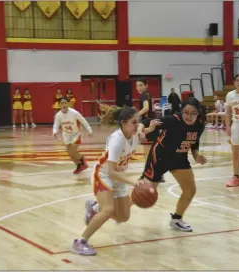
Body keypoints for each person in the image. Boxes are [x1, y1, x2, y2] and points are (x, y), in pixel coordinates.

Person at [71, 107, 159, 256]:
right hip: (104, 175)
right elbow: (111, 171)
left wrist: (149, 129)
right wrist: (134, 182)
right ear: (123, 123)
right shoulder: (116, 140)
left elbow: (141, 135)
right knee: (109, 210)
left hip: (119, 177)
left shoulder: (133, 134)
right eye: (133, 122)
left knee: (123, 217)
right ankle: (80, 241)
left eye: (137, 122)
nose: (137, 125)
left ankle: (95, 207)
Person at [142, 97, 207, 232]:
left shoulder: (200, 125)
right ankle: (102, 208)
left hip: (179, 158)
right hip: (160, 157)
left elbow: (194, 142)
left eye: (193, 113)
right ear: (181, 111)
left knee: (190, 190)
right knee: (144, 193)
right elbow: (146, 121)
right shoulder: (172, 120)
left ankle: (177, 219)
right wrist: (143, 129)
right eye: (186, 112)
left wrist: (196, 156)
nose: (189, 116)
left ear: (198, 113)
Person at [53, 97, 92, 174]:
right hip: (66, 135)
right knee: (70, 153)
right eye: (62, 103)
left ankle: (82, 160)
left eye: (65, 103)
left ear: (68, 104)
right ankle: (79, 165)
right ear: (59, 105)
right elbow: (56, 124)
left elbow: (83, 121)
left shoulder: (74, 113)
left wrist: (89, 130)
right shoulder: (58, 115)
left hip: (76, 134)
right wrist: (55, 131)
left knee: (73, 150)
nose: (64, 105)